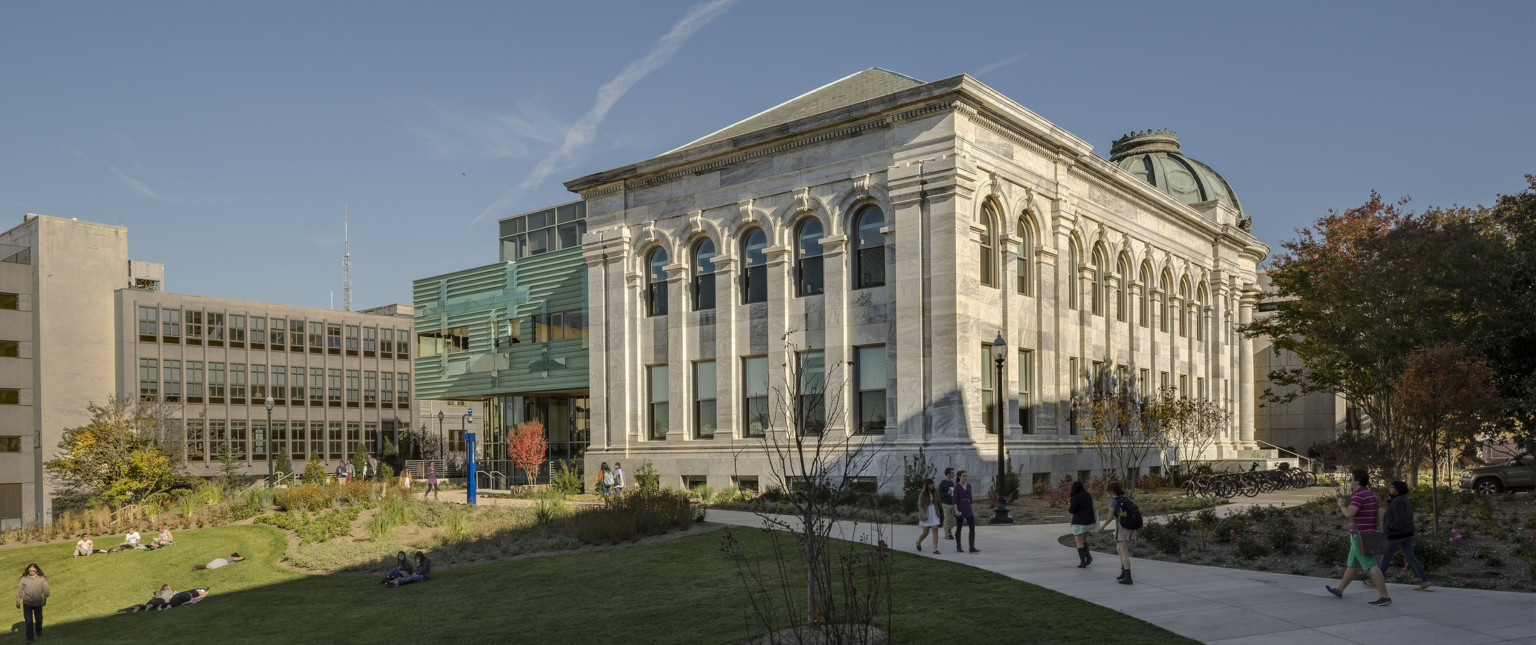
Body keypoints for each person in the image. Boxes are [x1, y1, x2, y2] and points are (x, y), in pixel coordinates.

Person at [1325, 468, 1392, 606]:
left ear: (1357, 481)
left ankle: (1384, 596)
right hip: (1370, 533)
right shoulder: (1372, 495)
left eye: (1351, 479)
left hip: (1360, 536)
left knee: (1371, 565)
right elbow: (1380, 515)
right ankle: (1339, 589)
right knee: (1352, 564)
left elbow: (1349, 513)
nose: (1349, 482)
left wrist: (1342, 506)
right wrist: (1380, 531)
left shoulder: (1359, 495)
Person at [1382, 480, 1433, 592]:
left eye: (1392, 487)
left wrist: (1390, 528)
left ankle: (1376, 579)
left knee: (1386, 556)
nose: (1389, 489)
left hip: (1397, 534)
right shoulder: (1401, 500)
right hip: (1406, 534)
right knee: (1410, 556)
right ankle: (1425, 581)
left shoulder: (1399, 502)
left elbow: (1400, 519)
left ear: (1398, 489)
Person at [1099, 481, 1136, 584]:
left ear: (1111, 491)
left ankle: (1128, 576)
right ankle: (1124, 572)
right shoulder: (1127, 499)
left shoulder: (1114, 501)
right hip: (1129, 527)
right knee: (1119, 548)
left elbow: (1110, 517)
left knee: (1123, 551)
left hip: (1122, 527)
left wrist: (1102, 527)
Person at [16, 563, 48, 645]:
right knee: (29, 621)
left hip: (38, 603)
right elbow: (20, 591)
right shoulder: (23, 579)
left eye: (33, 570)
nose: (32, 572)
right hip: (27, 603)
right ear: (28, 570)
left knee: (39, 619)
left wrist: (44, 600)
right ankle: (29, 639)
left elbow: (46, 590)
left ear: (36, 570)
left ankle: (38, 630)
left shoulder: (41, 578)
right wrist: (18, 601)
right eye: (30, 571)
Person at [1067, 480, 1096, 568]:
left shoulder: (1075, 497)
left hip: (1079, 522)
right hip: (1090, 521)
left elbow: (1072, 510)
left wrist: (1070, 504)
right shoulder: (1089, 495)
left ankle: (1083, 561)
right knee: (1083, 540)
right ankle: (1088, 557)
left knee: (1079, 542)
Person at [953, 470, 978, 553]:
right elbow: (955, 499)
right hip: (960, 507)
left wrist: (971, 508)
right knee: (959, 527)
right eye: (963, 476)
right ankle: (958, 547)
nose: (965, 477)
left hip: (968, 508)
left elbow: (970, 498)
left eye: (966, 476)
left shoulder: (969, 486)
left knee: (972, 527)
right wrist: (956, 510)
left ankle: (972, 547)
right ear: (959, 477)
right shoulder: (957, 486)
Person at [939, 467, 957, 541]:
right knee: (947, 519)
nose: (953, 474)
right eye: (952, 473)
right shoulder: (943, 483)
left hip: (953, 503)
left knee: (952, 520)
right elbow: (940, 494)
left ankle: (949, 531)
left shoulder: (952, 483)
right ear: (948, 474)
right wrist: (947, 493)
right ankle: (947, 534)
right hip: (946, 504)